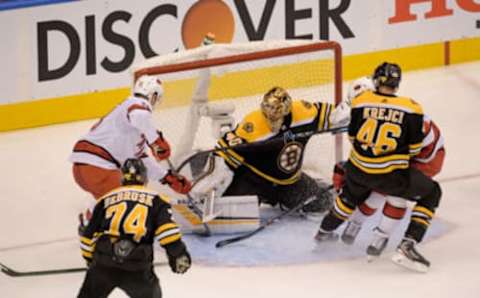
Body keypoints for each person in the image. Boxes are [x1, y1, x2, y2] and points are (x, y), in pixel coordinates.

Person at [314, 62, 442, 273]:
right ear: (397, 83)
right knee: (432, 192)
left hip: (357, 170)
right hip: (389, 176)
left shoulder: (361, 100)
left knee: (349, 197)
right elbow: (414, 148)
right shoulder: (412, 107)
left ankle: (323, 232)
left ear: (376, 80)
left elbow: (353, 137)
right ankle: (407, 245)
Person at [191, 86, 350, 214]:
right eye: (268, 116)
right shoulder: (253, 125)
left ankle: (282, 199)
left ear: (287, 112)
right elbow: (222, 154)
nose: (271, 120)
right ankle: (198, 161)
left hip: (288, 182)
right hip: (254, 179)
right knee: (230, 211)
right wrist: (206, 185)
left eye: (277, 117)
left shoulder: (303, 112)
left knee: (323, 203)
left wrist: (355, 115)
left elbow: (335, 115)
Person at [69, 75, 192, 224]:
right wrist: (155, 141)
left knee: (112, 204)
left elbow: (142, 159)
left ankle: (89, 224)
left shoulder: (131, 124)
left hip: (85, 169)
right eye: (157, 98)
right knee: (131, 202)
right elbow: (138, 114)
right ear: (153, 95)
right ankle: (95, 227)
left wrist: (166, 177)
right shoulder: (136, 105)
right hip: (98, 167)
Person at [77, 158, 191, 298]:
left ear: (123, 178)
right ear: (144, 177)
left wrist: (90, 260)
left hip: (104, 264)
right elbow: (168, 233)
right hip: (137, 267)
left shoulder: (105, 199)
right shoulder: (157, 200)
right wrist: (178, 255)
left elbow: (88, 236)